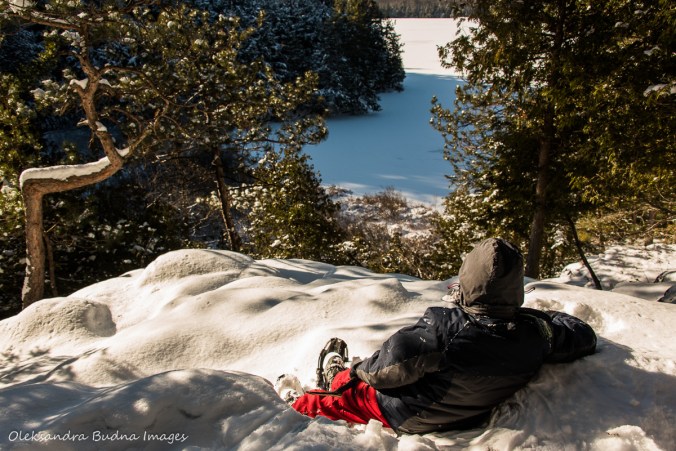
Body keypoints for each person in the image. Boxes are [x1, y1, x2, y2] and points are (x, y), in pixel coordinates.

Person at [285, 238, 597, 434]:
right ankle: (337, 376)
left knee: (345, 394)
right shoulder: (537, 334)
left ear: (468, 279)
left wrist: (356, 372)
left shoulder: (447, 327)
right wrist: (539, 318)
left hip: (411, 413)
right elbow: (582, 335)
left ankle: (325, 384)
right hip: (466, 413)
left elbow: (383, 372)